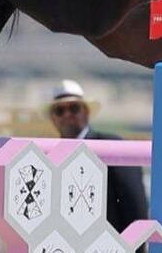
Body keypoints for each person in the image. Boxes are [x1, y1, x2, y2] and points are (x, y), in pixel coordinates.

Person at [48, 80, 149, 235]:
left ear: (86, 112)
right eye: (60, 110)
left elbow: (135, 206)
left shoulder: (113, 148)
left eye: (74, 108)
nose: (67, 114)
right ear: (53, 118)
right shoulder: (50, 156)